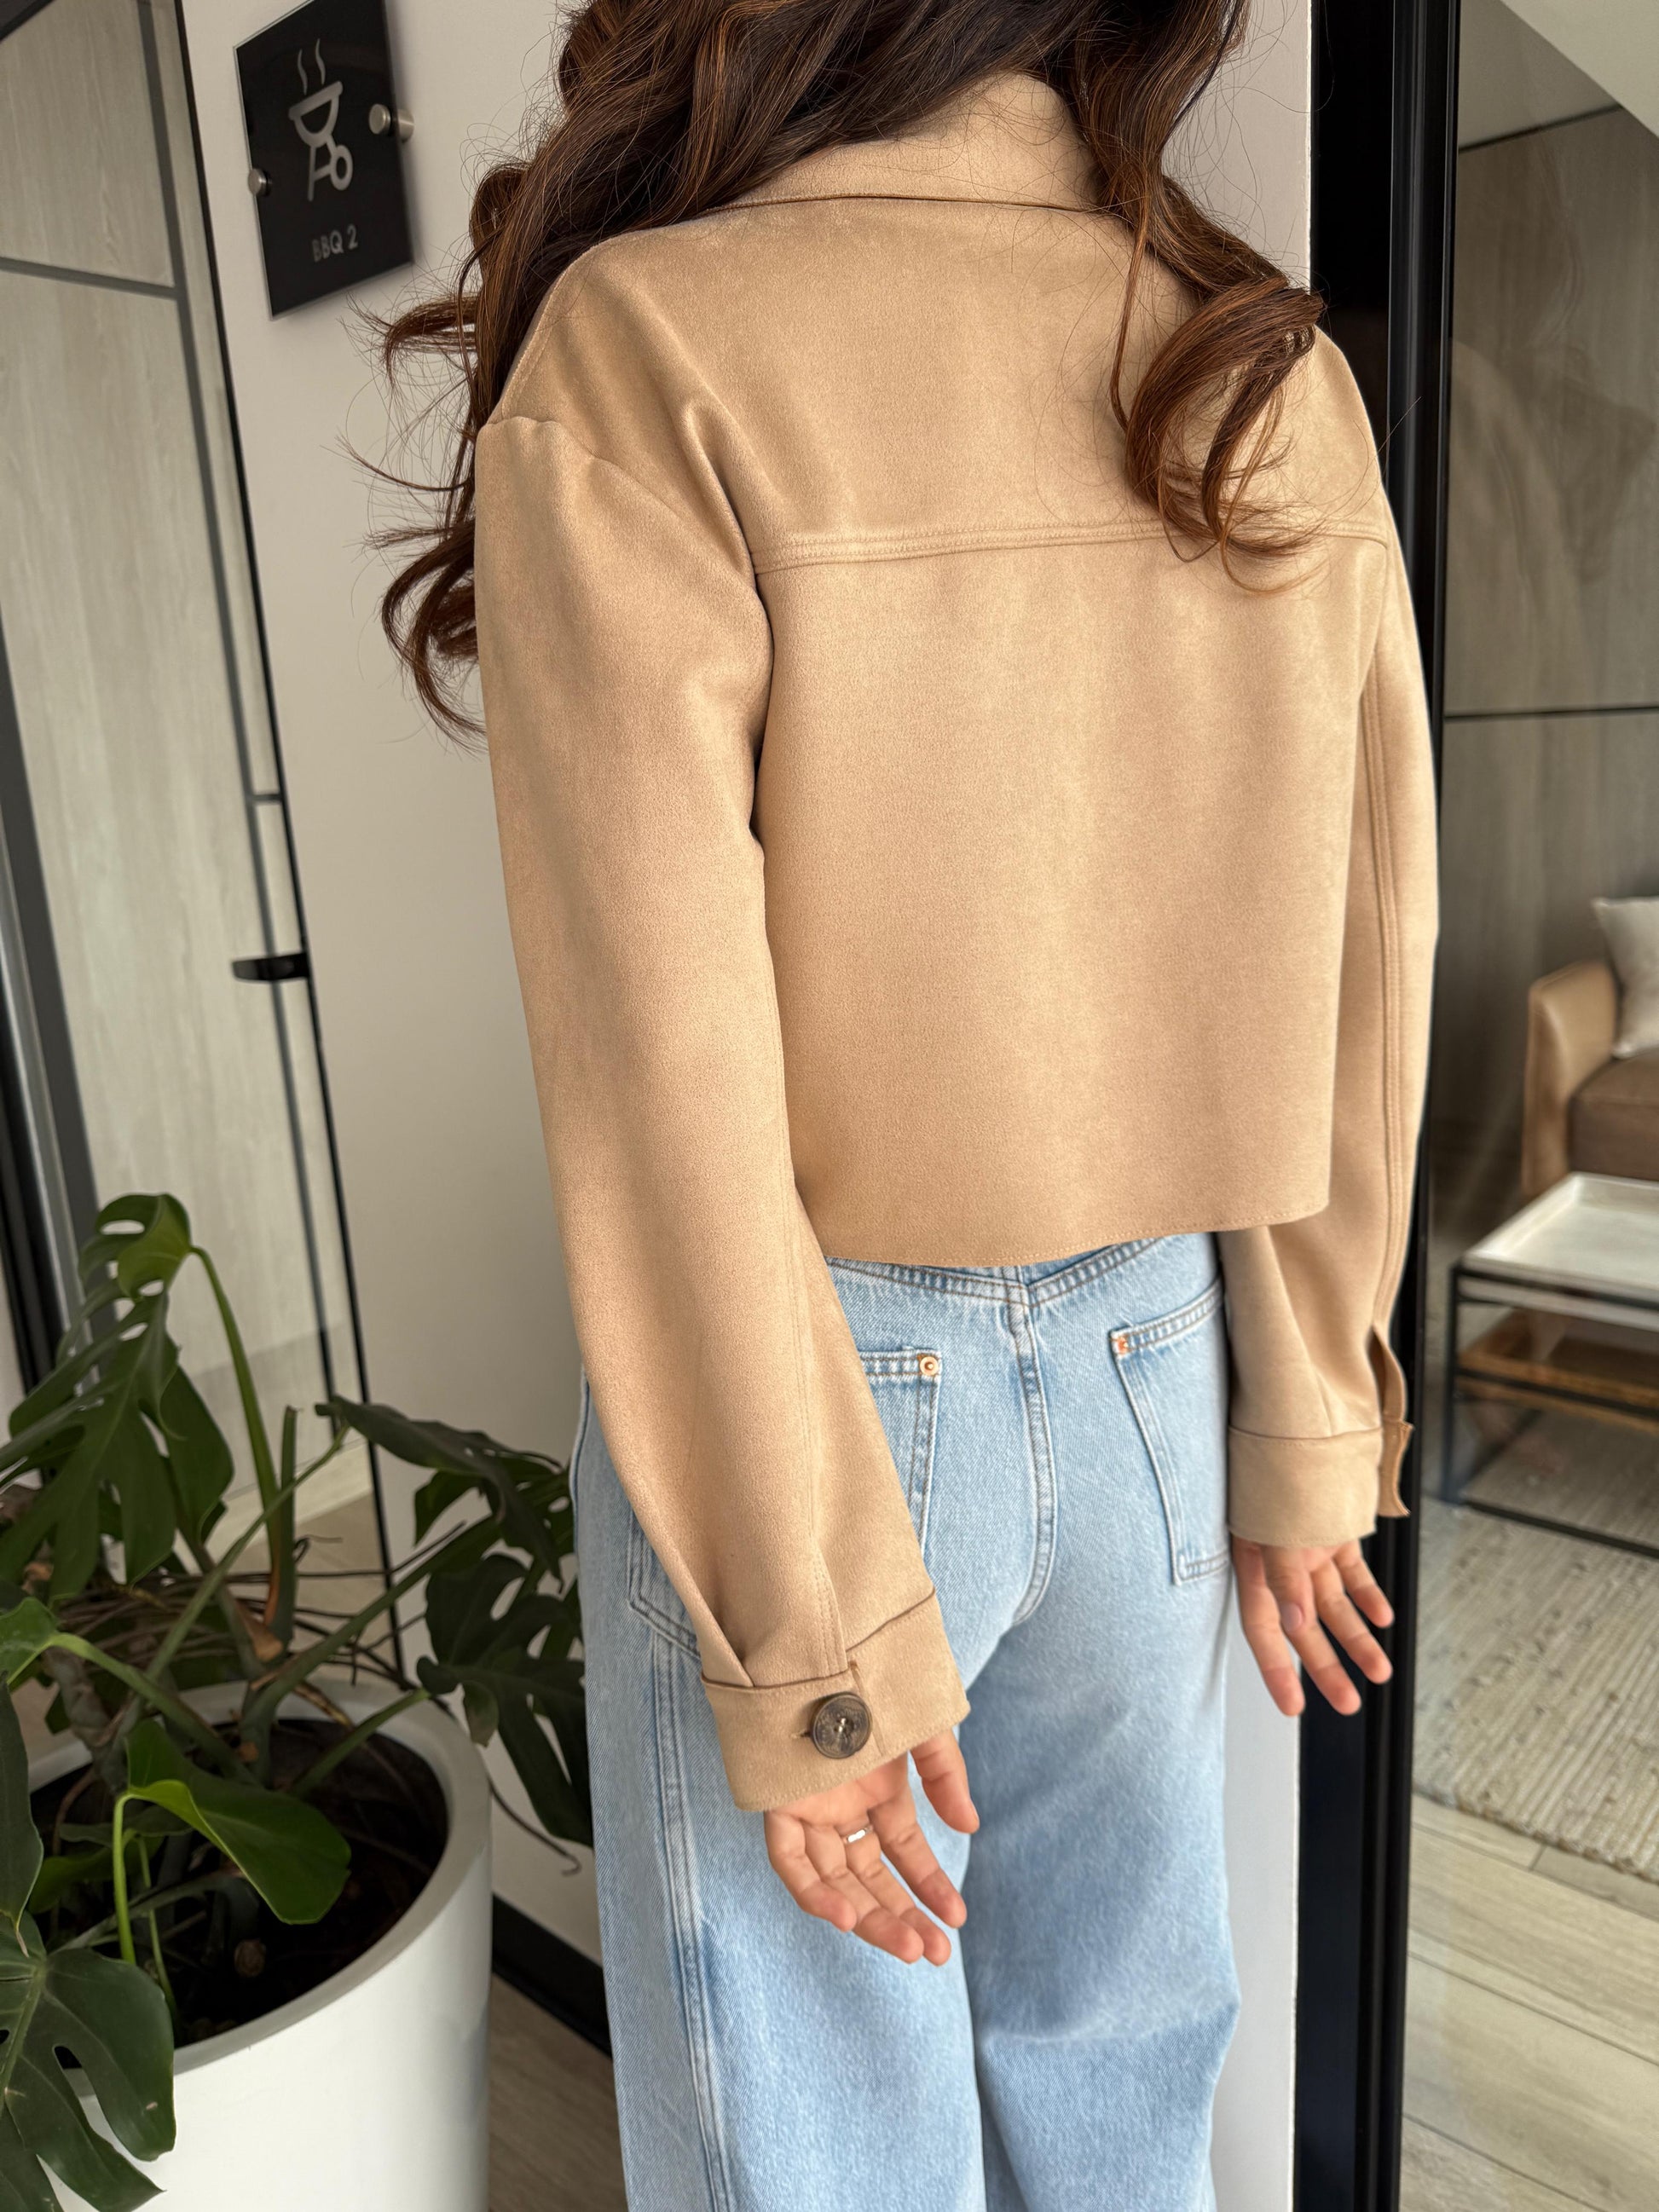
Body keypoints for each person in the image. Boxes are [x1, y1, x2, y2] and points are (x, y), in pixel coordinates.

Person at [378, 3, 1437, 2204]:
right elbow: (1358, 952)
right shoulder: (1254, 361)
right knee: (1121, 2070)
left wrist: (804, 1631)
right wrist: (1314, 1410)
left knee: (817, 2151)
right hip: (1168, 1359)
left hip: (828, 1387)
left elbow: (667, 1069)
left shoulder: (652, 347)